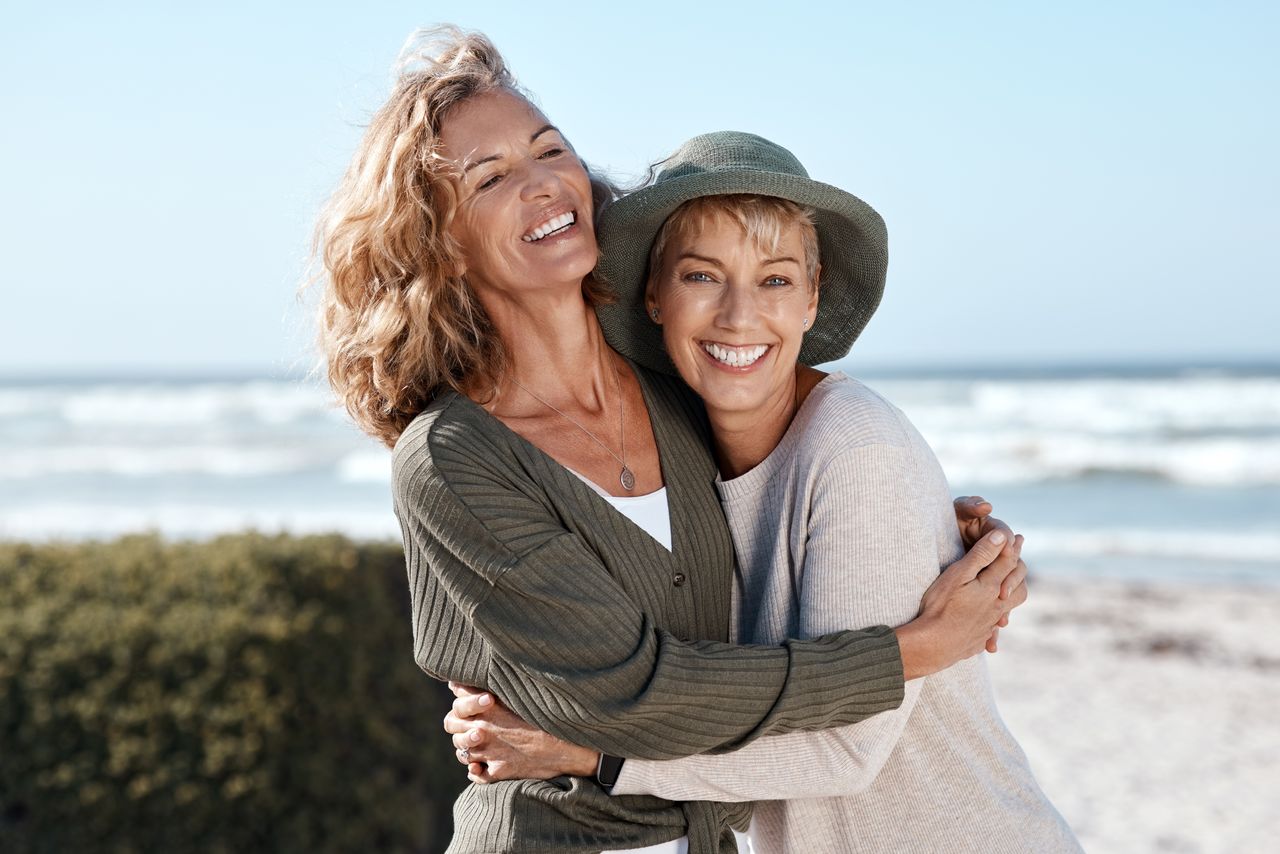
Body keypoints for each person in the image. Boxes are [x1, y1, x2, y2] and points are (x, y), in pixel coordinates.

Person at [315, 26, 1026, 854]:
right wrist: (906, 652)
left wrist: (935, 529)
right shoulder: (452, 459)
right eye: (492, 177)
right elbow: (635, 693)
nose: (542, 185)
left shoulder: (677, 395)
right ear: (437, 240)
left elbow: (789, 491)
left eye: (550, 151)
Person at [443, 133, 1081, 852]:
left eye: (775, 280)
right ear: (655, 296)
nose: (739, 316)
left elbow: (843, 751)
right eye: (702, 277)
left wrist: (593, 756)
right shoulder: (679, 454)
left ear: (813, 299)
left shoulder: (855, 449)